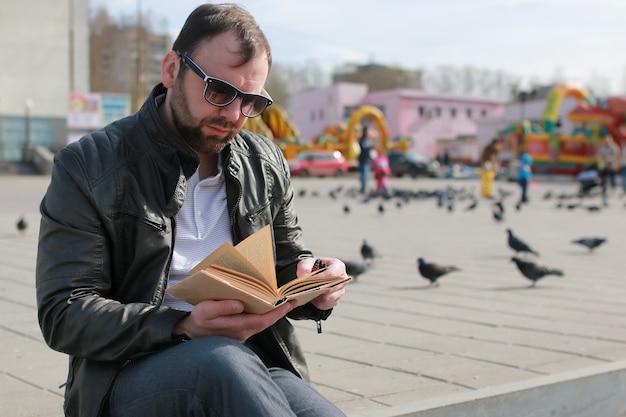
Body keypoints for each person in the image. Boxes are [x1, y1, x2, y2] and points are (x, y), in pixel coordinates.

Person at [35, 4, 349, 417]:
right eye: (219, 91)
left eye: (251, 101)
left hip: (252, 358)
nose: (234, 115)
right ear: (171, 70)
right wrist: (181, 325)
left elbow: (288, 263)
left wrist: (316, 284)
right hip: (127, 372)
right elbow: (65, 312)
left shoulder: (265, 161)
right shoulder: (90, 165)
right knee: (221, 363)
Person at [596, 135, 619, 206]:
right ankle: (604, 197)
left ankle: (613, 191)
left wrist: (611, 159)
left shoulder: (614, 147)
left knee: (613, 182)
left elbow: (616, 155)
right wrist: (603, 160)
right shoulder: (602, 148)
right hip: (604, 167)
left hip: (611, 167)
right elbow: (599, 156)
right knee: (604, 183)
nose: (607, 142)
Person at [357, 125, 375, 193]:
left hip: (365, 159)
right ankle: (363, 187)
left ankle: (364, 186)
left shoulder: (366, 139)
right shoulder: (363, 139)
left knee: (364, 174)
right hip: (364, 159)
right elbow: (365, 148)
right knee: (364, 174)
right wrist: (371, 146)